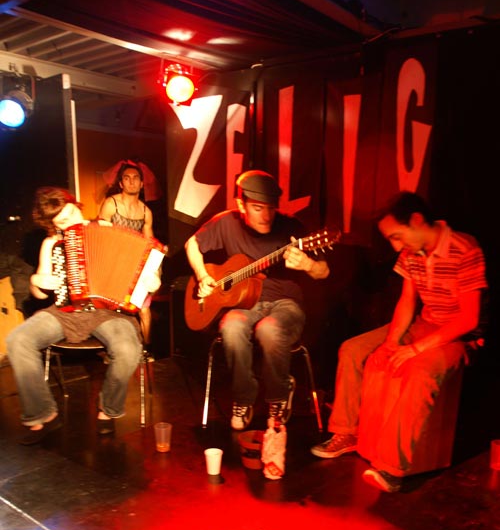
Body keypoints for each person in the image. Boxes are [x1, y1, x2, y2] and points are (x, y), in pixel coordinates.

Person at [311, 191, 488, 492]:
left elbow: (468, 319)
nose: (395, 246)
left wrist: (416, 349)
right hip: (423, 323)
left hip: (458, 335)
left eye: (397, 236)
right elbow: (407, 300)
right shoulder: (411, 253)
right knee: (352, 350)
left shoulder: (464, 248)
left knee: (419, 370)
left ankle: (392, 468)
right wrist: (392, 341)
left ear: (416, 221)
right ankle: (346, 432)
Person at [6, 187, 161, 444]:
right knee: (18, 339)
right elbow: (40, 294)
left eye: (71, 214)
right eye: (62, 222)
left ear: (77, 206)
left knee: (127, 349)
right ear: (52, 225)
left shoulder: (109, 229)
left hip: (110, 312)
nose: (70, 223)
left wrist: (152, 281)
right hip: (66, 311)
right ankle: (42, 413)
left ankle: (108, 410)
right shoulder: (51, 243)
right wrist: (37, 281)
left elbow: (144, 270)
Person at [185, 169, 330, 430]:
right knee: (231, 326)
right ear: (241, 205)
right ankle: (243, 398)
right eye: (257, 208)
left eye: (271, 208)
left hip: (285, 305)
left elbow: (324, 271)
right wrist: (203, 275)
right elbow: (191, 245)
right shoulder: (226, 222)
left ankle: (278, 395)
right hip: (245, 304)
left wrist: (308, 264)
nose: (266, 216)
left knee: (268, 329)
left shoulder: (292, 228)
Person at [98, 161, 155, 347]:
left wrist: (156, 260)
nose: (132, 181)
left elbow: (149, 242)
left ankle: (146, 348)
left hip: (134, 265)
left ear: (141, 184)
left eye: (136, 178)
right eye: (127, 178)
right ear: (121, 183)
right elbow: (99, 236)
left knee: (144, 308)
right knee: (112, 310)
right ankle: (113, 348)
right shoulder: (111, 204)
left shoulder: (146, 212)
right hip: (113, 265)